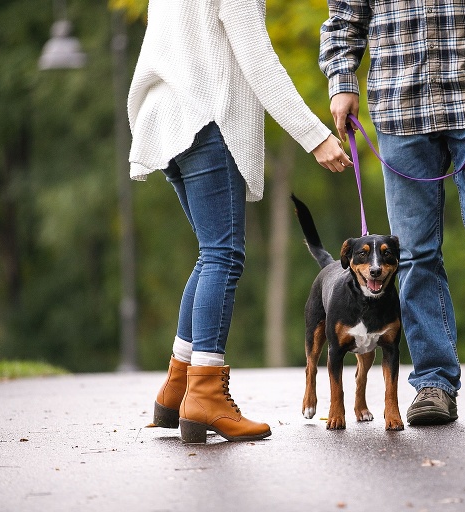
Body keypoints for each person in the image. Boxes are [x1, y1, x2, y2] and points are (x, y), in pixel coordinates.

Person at [320, 0, 465, 425]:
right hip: (399, 106)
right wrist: (341, 80)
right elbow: (344, 17)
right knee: (412, 256)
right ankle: (433, 381)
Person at [127, 0, 352, 442]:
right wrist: (314, 135)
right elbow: (257, 59)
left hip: (166, 116)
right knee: (222, 257)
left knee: (211, 254)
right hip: (204, 120)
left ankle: (179, 386)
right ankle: (205, 396)